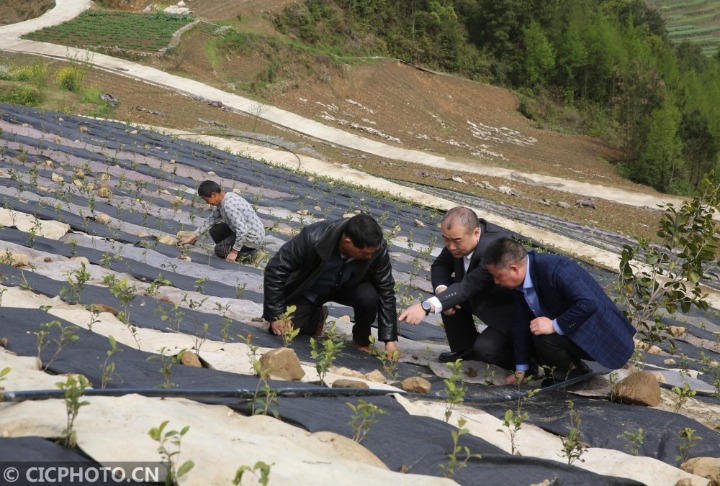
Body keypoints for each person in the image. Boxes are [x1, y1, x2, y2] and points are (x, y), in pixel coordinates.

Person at [483, 237, 636, 385]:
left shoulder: (555, 269)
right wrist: (520, 369)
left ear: (514, 269)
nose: (496, 282)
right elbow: (520, 323)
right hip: (571, 332)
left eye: (498, 276)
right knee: (535, 328)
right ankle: (569, 371)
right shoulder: (519, 284)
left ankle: (571, 377)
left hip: (599, 336)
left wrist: (554, 325)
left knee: (542, 332)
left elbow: (588, 303)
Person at [263, 214, 399, 357]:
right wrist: (276, 315)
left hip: (351, 288)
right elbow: (276, 269)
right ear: (347, 242)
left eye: (372, 253)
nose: (370, 257)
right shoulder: (313, 236)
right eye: (364, 253)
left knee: (369, 296)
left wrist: (389, 340)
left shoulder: (376, 249)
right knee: (282, 332)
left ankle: (361, 338)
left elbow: (386, 290)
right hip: (312, 288)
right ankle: (316, 316)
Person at [398, 207, 515, 369]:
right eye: (446, 239)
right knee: (447, 294)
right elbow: (440, 265)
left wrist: (426, 306)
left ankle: (522, 362)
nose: (451, 247)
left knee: (486, 350)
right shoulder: (457, 239)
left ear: (476, 232)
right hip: (480, 296)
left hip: (508, 312)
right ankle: (464, 349)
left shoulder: (495, 249)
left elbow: (469, 286)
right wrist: (441, 291)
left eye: (457, 241)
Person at [178, 180, 265, 263]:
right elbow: (211, 219)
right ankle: (232, 248)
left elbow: (242, 231)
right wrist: (193, 236)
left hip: (252, 237)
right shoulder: (225, 198)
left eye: (207, 200)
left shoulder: (229, 206)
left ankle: (251, 255)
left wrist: (234, 252)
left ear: (214, 195)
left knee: (219, 251)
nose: (208, 203)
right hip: (246, 230)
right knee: (215, 230)